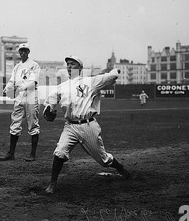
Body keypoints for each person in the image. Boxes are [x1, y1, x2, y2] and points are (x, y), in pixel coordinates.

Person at [43, 55, 132, 194]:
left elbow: (110, 77)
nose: (69, 66)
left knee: (104, 160)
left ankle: (121, 168)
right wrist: (49, 110)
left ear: (80, 67)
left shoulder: (90, 82)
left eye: (73, 64)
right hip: (70, 127)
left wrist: (115, 71)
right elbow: (50, 104)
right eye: (68, 64)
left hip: (88, 125)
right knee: (60, 152)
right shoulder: (61, 87)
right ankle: (52, 184)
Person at [0, 43, 40, 162]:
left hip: (31, 95)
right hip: (19, 96)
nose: (23, 53)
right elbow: (12, 80)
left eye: (25, 51)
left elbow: (33, 82)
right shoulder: (17, 67)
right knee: (15, 123)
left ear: (28, 52)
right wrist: (6, 89)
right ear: (19, 53)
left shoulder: (34, 65)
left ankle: (32, 154)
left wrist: (20, 89)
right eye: (21, 51)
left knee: (32, 123)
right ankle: (11, 153)